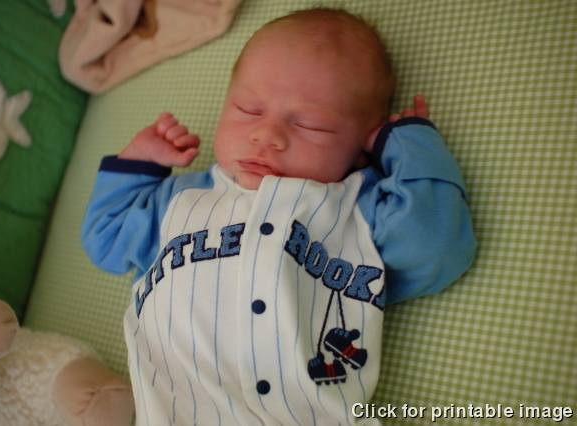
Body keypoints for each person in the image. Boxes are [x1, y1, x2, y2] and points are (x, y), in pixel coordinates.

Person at [81, 7, 476, 425]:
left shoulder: (353, 208)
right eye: (249, 109)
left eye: (311, 125)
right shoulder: (184, 198)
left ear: (362, 147)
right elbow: (107, 239)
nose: (266, 134)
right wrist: (138, 163)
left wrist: (407, 146)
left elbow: (435, 249)